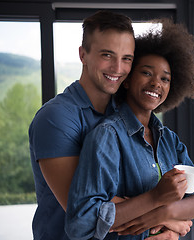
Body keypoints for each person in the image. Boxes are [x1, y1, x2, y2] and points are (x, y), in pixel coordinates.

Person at [65, 18, 194, 240]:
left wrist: (163, 213)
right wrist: (155, 198)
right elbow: (80, 222)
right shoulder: (107, 136)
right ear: (126, 79)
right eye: (146, 73)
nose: (156, 83)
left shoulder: (169, 140)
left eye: (165, 79)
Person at [29, 10, 137, 240]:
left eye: (126, 58)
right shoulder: (55, 118)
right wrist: (166, 213)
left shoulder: (125, 112)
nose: (118, 68)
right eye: (107, 55)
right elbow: (86, 209)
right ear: (83, 54)